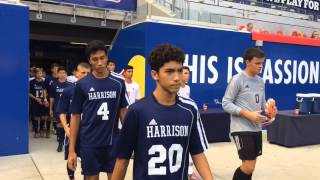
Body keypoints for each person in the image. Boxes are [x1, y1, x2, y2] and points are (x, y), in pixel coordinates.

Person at [111, 44, 213, 180]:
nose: (177, 77)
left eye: (180, 70)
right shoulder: (137, 111)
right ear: (154, 74)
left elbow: (197, 153)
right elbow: (122, 160)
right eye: (169, 71)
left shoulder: (189, 110)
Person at [67, 40, 129, 180]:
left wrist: (130, 140)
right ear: (89, 61)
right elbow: (75, 117)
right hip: (89, 143)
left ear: (107, 57)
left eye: (102, 58)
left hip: (113, 142)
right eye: (95, 59)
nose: (100, 62)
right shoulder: (81, 84)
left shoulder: (119, 83)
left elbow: (123, 112)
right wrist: (72, 151)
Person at [222, 48, 277, 180]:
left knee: (250, 166)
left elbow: (262, 103)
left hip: (256, 128)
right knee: (248, 166)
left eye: (262, 63)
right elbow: (225, 103)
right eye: (257, 63)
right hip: (241, 128)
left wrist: (270, 110)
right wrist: (247, 114)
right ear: (247, 62)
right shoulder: (237, 79)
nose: (261, 66)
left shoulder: (260, 81)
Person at [56, 62, 91, 180]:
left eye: (88, 73)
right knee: (71, 157)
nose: (86, 75)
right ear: (76, 73)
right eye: (83, 73)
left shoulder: (93, 91)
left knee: (87, 160)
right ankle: (71, 178)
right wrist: (66, 128)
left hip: (88, 132)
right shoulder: (68, 91)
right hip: (73, 131)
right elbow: (61, 111)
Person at [50, 66, 73, 152]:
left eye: (64, 73)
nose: (62, 74)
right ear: (57, 74)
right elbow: (52, 98)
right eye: (60, 73)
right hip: (58, 109)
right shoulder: (54, 84)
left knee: (71, 126)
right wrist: (50, 109)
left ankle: (71, 142)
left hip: (69, 109)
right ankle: (60, 143)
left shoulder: (71, 85)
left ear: (66, 74)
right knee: (60, 126)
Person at [29, 68, 49, 138]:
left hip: (43, 101)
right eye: (38, 73)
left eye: (41, 73)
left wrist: (45, 100)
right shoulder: (31, 82)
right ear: (35, 74)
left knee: (43, 117)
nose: (39, 75)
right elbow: (29, 93)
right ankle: (36, 131)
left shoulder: (45, 81)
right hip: (35, 102)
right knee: (35, 117)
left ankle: (41, 129)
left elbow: (46, 91)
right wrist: (36, 99)